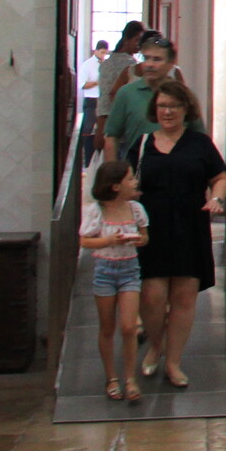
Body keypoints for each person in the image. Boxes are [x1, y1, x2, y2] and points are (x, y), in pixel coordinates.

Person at [127, 77, 226, 388]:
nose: (167, 111)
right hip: (151, 229)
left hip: (189, 226)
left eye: (173, 106)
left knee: (184, 296)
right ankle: (156, 345)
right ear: (154, 109)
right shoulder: (142, 144)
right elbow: (125, 181)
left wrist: (217, 198)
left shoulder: (200, 143)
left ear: (186, 109)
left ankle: (173, 361)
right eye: (162, 106)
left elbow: (219, 177)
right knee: (152, 297)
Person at [80, 156, 150, 403]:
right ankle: (111, 377)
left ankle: (130, 378)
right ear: (115, 186)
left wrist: (139, 240)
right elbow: (85, 240)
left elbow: (145, 235)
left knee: (129, 326)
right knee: (107, 327)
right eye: (129, 178)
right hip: (105, 271)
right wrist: (109, 240)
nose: (134, 182)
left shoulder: (136, 209)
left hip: (130, 269)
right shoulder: (96, 211)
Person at [102, 32, 188, 163]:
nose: (149, 64)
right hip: (137, 168)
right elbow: (111, 137)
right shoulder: (126, 93)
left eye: (157, 59)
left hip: (177, 168)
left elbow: (199, 135)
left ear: (170, 64)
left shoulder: (182, 95)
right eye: (146, 58)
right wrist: (112, 173)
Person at [93, 23, 145, 153]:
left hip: (108, 122)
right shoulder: (131, 65)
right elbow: (108, 97)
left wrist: (100, 127)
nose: (139, 44)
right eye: (137, 39)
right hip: (123, 124)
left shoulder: (106, 63)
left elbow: (103, 100)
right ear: (127, 39)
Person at [78, 39, 107, 145]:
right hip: (91, 100)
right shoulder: (87, 65)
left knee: (103, 128)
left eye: (105, 53)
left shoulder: (106, 65)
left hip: (104, 100)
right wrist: (97, 82)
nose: (103, 55)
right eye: (102, 52)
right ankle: (87, 151)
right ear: (96, 51)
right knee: (89, 128)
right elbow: (82, 85)